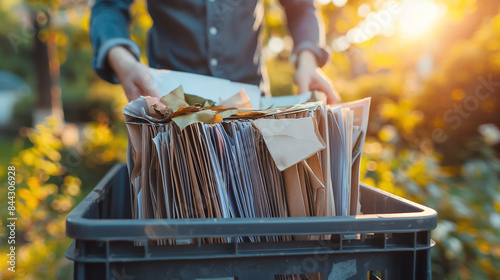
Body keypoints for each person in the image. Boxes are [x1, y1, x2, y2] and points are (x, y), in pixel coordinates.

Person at [90, 0, 340, 104]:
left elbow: (301, 8)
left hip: (252, 112)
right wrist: (122, 58)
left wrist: (308, 60)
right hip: (170, 113)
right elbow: (109, 6)